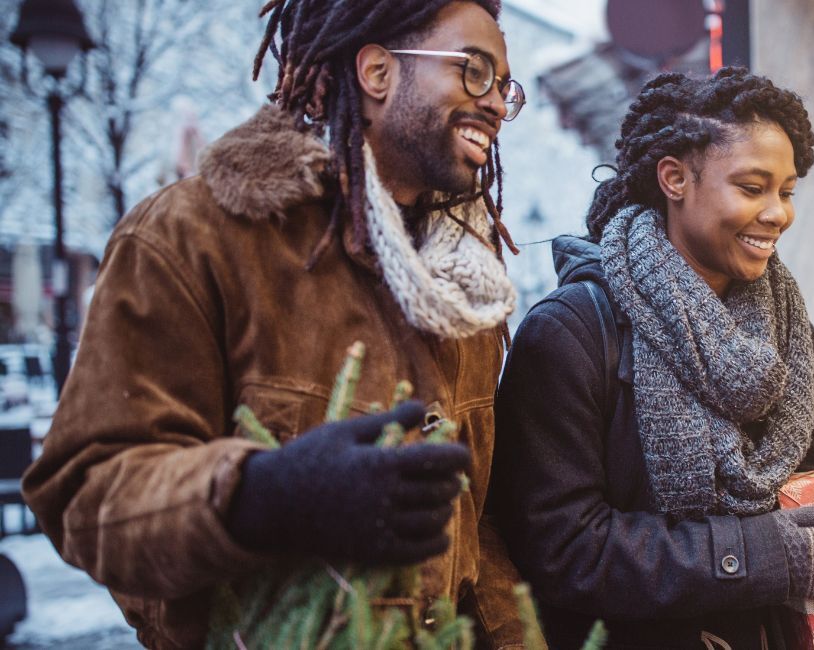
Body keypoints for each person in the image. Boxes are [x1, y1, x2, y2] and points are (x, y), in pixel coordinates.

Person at [21, 1, 527, 647]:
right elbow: (82, 494)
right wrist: (260, 498)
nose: (494, 105)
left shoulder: (464, 286)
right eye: (474, 72)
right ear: (377, 71)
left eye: (504, 87)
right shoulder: (196, 237)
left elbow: (473, 533)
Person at [490, 68, 814, 649]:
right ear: (674, 178)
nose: (778, 213)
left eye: (787, 190)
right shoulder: (570, 333)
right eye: (752, 187)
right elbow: (562, 548)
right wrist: (759, 554)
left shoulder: (786, 328)